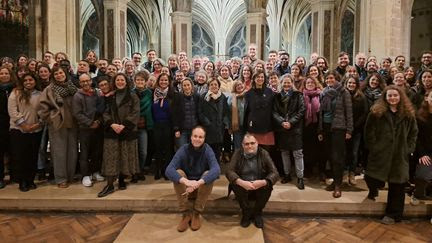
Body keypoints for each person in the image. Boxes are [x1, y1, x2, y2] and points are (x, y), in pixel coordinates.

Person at [364, 85, 418, 225]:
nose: (393, 98)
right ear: (385, 97)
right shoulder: (376, 112)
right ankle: (374, 190)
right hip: (380, 152)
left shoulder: (408, 114)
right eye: (390, 95)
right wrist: (374, 147)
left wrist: (409, 148)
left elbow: (413, 132)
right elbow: (369, 132)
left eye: (395, 95)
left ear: (400, 97)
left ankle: (393, 214)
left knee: (397, 185)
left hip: (400, 154)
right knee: (371, 176)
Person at [165, 126, 221, 232]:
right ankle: (185, 214)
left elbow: (217, 169)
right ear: (191, 137)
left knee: (208, 174)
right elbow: (169, 169)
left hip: (200, 189)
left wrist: (199, 182)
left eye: (200, 137)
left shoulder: (207, 150)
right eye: (195, 136)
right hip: (186, 189)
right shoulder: (183, 149)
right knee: (178, 173)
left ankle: (196, 213)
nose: (197, 139)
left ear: (204, 139)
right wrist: (186, 181)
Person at [98, 73, 140, 197]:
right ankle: (110, 184)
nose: (120, 82)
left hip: (127, 130)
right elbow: (105, 112)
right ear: (114, 82)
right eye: (118, 80)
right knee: (111, 157)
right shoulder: (110, 96)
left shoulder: (133, 96)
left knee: (124, 155)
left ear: (126, 82)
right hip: (112, 131)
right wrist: (112, 124)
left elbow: (135, 112)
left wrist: (124, 125)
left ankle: (122, 179)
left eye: (122, 80)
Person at [225, 133, 279, 228]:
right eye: (246, 144)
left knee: (268, 185)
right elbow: (229, 171)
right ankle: (246, 213)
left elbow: (275, 173)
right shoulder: (238, 153)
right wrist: (241, 182)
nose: (250, 146)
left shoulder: (264, 153)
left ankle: (257, 213)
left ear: (257, 143)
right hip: (243, 186)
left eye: (252, 143)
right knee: (235, 183)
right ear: (242, 145)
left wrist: (264, 182)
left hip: (259, 185)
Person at [38, 66, 78, 188]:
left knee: (72, 151)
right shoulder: (49, 89)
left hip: (73, 123)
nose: (59, 75)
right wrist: (51, 118)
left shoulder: (72, 88)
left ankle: (70, 176)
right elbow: (42, 108)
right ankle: (61, 179)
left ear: (65, 74)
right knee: (59, 152)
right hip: (58, 124)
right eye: (56, 74)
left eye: (61, 73)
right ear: (53, 76)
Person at [318, 71, 353, 198]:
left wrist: (349, 130)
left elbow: (349, 112)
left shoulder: (344, 92)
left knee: (338, 157)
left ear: (337, 79)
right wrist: (320, 130)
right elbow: (321, 113)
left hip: (339, 128)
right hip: (326, 128)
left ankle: (338, 185)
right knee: (330, 157)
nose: (329, 80)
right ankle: (334, 181)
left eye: (331, 78)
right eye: (327, 78)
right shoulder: (323, 93)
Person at [8, 73, 42, 191]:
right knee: (21, 156)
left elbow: (44, 111)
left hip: (36, 129)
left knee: (32, 156)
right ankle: (22, 181)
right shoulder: (16, 93)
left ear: (35, 81)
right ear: (22, 82)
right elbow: (12, 111)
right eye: (25, 80)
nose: (28, 82)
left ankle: (30, 180)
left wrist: (38, 124)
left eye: (30, 79)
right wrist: (24, 125)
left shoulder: (40, 94)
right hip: (18, 130)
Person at [72, 73, 105, 187]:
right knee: (85, 153)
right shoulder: (77, 96)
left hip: (98, 127)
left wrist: (98, 122)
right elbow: (77, 113)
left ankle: (95, 171)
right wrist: (90, 123)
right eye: (82, 81)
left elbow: (102, 109)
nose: (85, 83)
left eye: (87, 81)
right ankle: (85, 175)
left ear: (91, 81)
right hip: (85, 128)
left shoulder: (97, 93)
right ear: (80, 83)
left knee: (97, 151)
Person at [273, 74, 305, 188]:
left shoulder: (298, 95)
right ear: (281, 84)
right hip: (282, 129)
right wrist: (282, 122)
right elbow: (274, 112)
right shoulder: (276, 96)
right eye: (284, 83)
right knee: (284, 153)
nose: (286, 84)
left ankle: (300, 177)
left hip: (295, 128)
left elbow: (301, 111)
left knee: (298, 153)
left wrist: (291, 122)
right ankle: (287, 175)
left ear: (292, 83)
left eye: (288, 82)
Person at [344, 76, 368, 185]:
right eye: (349, 83)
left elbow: (364, 113)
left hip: (356, 130)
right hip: (343, 129)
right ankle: (344, 173)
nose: (351, 85)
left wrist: (353, 127)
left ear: (357, 84)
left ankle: (352, 173)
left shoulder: (361, 97)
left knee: (354, 153)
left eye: (353, 83)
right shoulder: (342, 94)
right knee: (344, 152)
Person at [198, 78, 229, 162]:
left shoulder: (222, 97)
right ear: (208, 86)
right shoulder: (203, 96)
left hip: (219, 128)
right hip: (208, 128)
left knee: (217, 150)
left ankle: (216, 168)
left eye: (215, 84)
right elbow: (200, 112)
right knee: (208, 150)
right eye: (211, 84)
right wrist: (207, 123)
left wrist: (223, 123)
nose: (213, 86)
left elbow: (226, 111)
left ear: (219, 86)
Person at [152, 73, 175, 180]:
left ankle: (166, 171)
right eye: (161, 80)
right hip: (156, 125)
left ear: (169, 82)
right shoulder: (153, 93)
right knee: (157, 148)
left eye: (166, 80)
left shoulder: (172, 94)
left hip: (168, 125)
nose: (163, 82)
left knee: (168, 149)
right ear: (158, 81)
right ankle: (158, 170)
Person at [132, 71, 153, 183]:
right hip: (132, 126)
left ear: (145, 82)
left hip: (144, 126)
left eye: (142, 80)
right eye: (138, 80)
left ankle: (140, 169)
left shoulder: (150, 93)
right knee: (132, 150)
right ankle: (134, 172)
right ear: (135, 81)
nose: (140, 82)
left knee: (143, 151)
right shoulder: (130, 93)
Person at [412, 91, 432, 201]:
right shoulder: (419, 117)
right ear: (427, 98)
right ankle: (418, 192)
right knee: (423, 173)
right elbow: (416, 138)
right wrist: (422, 154)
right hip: (423, 152)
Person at [173, 78, 200, 147]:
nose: (187, 87)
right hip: (182, 130)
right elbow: (174, 114)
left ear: (192, 86)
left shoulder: (196, 97)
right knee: (183, 149)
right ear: (182, 87)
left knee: (194, 149)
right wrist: (176, 129)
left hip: (194, 129)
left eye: (188, 85)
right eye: (184, 85)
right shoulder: (178, 97)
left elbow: (199, 113)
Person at [227, 81, 246, 150]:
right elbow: (228, 113)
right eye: (237, 85)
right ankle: (238, 160)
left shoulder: (248, 95)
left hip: (247, 125)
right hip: (236, 126)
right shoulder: (231, 97)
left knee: (247, 144)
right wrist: (229, 126)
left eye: (240, 84)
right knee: (238, 146)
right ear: (234, 88)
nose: (239, 86)